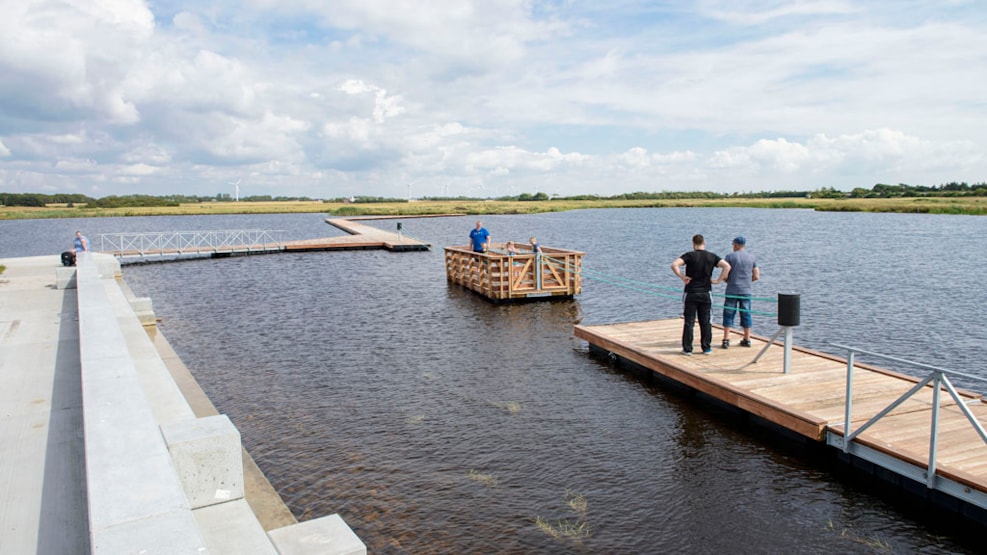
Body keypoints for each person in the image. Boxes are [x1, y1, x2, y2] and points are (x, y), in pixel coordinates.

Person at [671, 234, 730, 355]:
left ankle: (688, 349)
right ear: (704, 242)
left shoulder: (689, 255)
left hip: (691, 292)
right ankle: (706, 347)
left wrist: (682, 277)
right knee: (706, 321)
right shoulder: (711, 256)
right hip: (705, 293)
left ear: (693, 243)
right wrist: (718, 280)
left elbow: (674, 265)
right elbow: (727, 266)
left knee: (689, 322)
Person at [721, 236, 759, 349]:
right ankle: (747, 339)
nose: (732, 246)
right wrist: (748, 281)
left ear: (736, 245)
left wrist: (727, 280)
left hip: (732, 289)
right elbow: (756, 276)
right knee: (746, 313)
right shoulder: (752, 257)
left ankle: (726, 339)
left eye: (733, 244)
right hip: (746, 290)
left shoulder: (730, 257)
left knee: (728, 314)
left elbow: (725, 272)